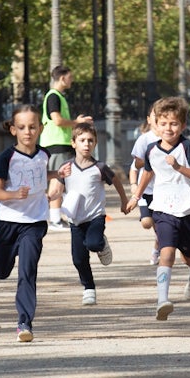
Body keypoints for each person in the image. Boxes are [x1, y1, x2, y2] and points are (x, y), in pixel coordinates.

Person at [0, 104, 65, 342]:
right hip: (8, 222)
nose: (27, 132)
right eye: (21, 127)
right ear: (13, 130)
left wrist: (58, 176)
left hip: (35, 222)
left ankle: (24, 323)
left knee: (27, 272)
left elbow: (41, 174)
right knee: (1, 272)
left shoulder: (44, 154)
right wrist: (14, 195)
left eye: (32, 127)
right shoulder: (6, 158)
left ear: (40, 128)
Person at [123, 96, 190, 321]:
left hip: (188, 209)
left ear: (183, 125)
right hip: (162, 208)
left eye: (173, 124)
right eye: (163, 123)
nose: (168, 128)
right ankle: (162, 300)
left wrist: (179, 167)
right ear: (155, 125)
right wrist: (136, 196)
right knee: (166, 252)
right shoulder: (151, 149)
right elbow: (147, 172)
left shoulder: (188, 147)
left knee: (188, 255)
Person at [60, 123, 128, 306]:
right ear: (73, 143)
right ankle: (89, 288)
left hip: (95, 216)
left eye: (90, 140)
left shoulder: (100, 167)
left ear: (96, 143)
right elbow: (58, 187)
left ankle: (101, 242)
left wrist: (124, 201)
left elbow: (116, 182)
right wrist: (51, 198)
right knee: (78, 258)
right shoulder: (66, 167)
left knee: (93, 243)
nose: (86, 144)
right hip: (75, 220)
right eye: (82, 140)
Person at [39, 65, 93, 228]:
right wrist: (77, 122)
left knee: (60, 180)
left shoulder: (58, 97)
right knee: (57, 180)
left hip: (60, 144)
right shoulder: (53, 96)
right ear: (62, 78)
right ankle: (53, 219)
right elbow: (57, 120)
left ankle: (55, 217)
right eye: (70, 77)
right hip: (55, 144)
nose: (72, 80)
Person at [129, 109, 161, 263]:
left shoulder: (170, 139)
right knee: (147, 223)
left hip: (163, 189)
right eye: (156, 117)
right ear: (149, 119)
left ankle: (156, 250)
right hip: (146, 190)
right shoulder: (144, 139)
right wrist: (133, 184)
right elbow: (135, 165)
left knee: (162, 230)